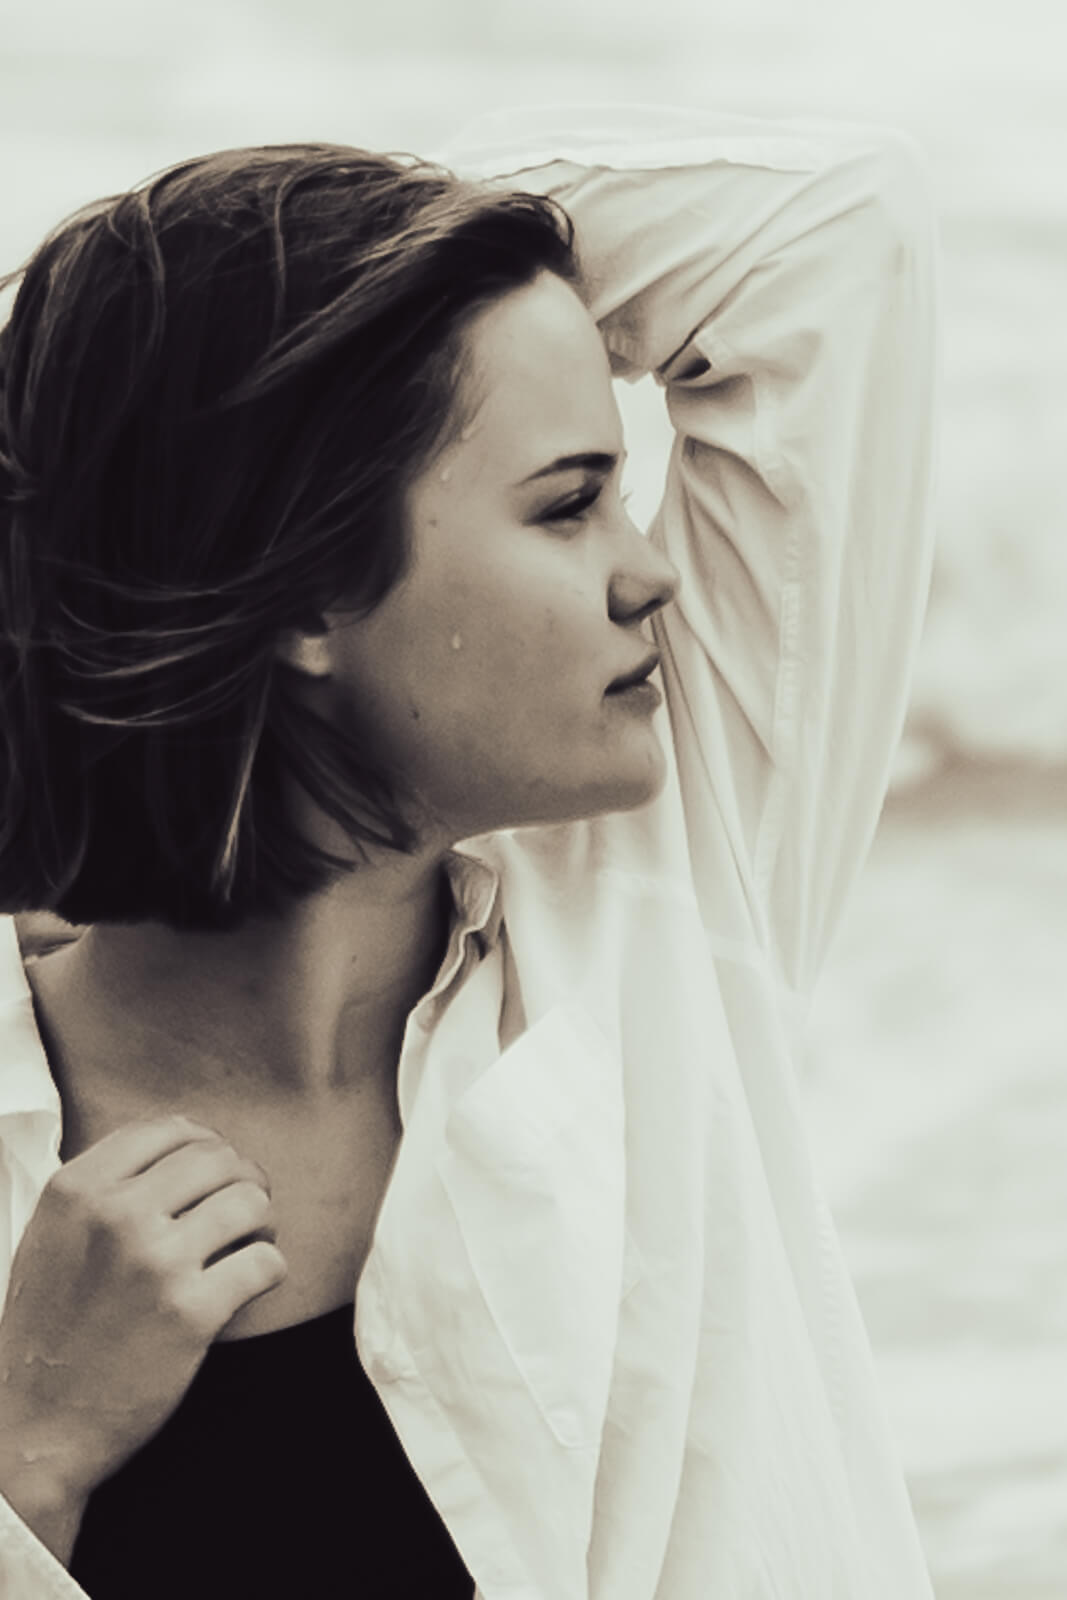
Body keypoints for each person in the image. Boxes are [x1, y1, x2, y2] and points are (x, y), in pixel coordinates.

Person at [0, 103, 938, 1598]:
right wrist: (27, 1452)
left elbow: (831, 234)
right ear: (299, 586)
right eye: (569, 503)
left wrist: (271, 301)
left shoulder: (666, 900)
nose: (648, 574)